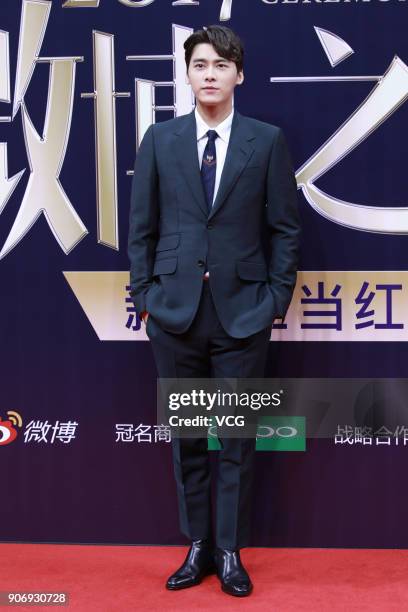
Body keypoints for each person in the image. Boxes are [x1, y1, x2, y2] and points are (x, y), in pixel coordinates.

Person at [128, 25, 301, 597]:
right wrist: (144, 297)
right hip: (174, 314)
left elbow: (283, 229)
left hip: (243, 313)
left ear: (238, 74)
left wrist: (275, 299)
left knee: (235, 439)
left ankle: (229, 551)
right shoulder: (160, 139)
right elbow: (142, 230)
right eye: (200, 64)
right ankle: (197, 545)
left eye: (221, 65)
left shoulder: (266, 140)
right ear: (187, 73)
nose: (209, 73)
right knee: (188, 438)